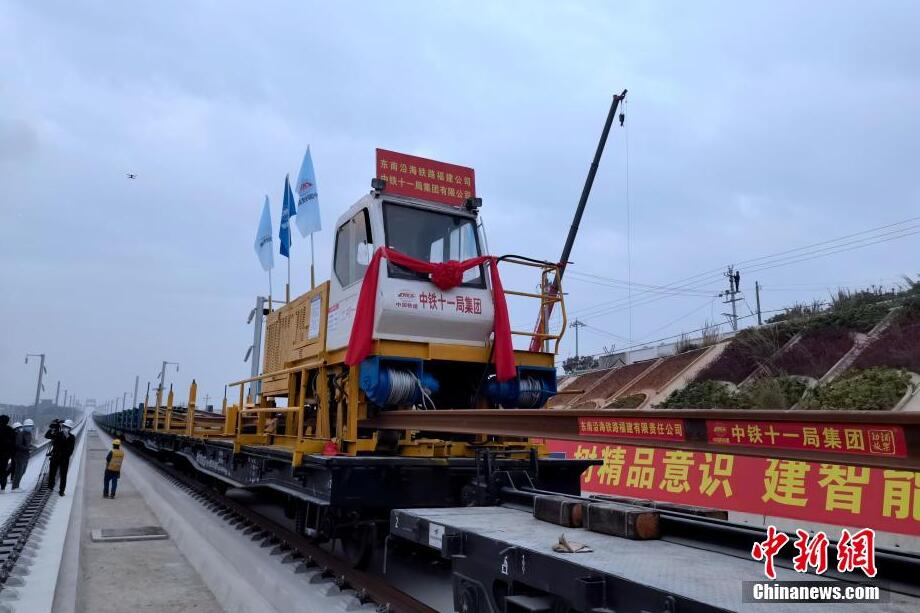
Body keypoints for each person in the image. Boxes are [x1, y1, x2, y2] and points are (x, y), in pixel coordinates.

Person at [46, 419, 76, 496]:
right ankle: (50, 487)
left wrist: (67, 438)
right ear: (62, 427)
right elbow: (47, 436)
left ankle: (61, 490)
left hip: (64, 459)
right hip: (55, 457)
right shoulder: (57, 434)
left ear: (70, 429)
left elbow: (70, 451)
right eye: (64, 426)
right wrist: (53, 427)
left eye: (67, 427)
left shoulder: (72, 438)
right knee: (52, 473)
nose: (65, 428)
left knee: (63, 475)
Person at [11, 420, 32, 490]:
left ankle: (16, 485)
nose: (30, 427)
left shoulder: (29, 434)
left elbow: (27, 444)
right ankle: (15, 487)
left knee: (23, 471)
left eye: (31, 426)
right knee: (19, 472)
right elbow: (18, 445)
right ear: (25, 426)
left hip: (26, 455)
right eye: (28, 426)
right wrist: (27, 448)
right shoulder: (21, 434)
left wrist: (31, 446)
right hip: (20, 456)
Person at [0, 416, 14, 491]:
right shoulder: (10, 430)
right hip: (5, 455)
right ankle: (2, 488)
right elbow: (13, 443)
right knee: (3, 471)